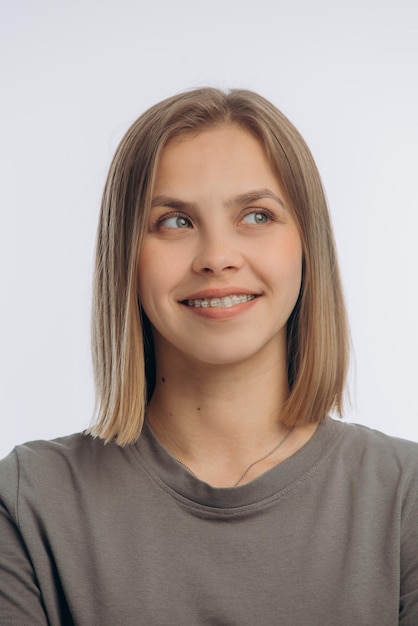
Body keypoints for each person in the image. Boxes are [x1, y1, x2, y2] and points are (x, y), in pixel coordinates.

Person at [0, 88, 417, 626]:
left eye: (257, 215)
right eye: (175, 221)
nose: (218, 257)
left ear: (307, 244)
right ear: (125, 255)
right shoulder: (27, 502)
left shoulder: (405, 497)